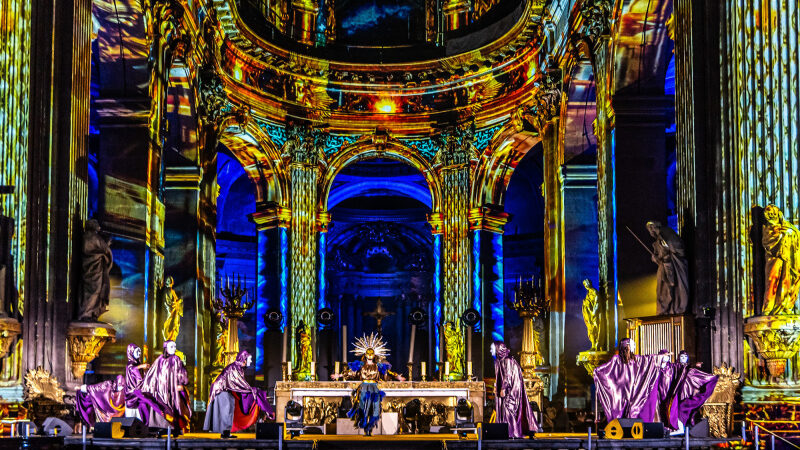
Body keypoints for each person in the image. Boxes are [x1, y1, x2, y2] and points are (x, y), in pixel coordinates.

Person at [331, 333, 405, 436]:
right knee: (364, 409)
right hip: (364, 388)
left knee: (374, 410)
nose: (370, 355)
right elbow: (350, 372)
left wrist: (398, 377)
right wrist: (338, 375)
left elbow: (389, 373)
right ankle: (366, 429)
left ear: (374, 355)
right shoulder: (361, 365)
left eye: (372, 354)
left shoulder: (378, 366)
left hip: (374, 388)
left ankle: (370, 428)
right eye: (368, 354)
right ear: (365, 355)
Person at [594, 338, 671, 422]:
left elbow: (648, 359)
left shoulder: (636, 360)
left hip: (633, 393)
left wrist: (660, 358)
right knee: (621, 409)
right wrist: (597, 372)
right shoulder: (616, 360)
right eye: (632, 344)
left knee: (634, 408)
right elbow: (604, 370)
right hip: (622, 392)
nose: (634, 346)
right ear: (627, 346)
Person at [204, 350, 275, 438]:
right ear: (244, 360)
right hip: (220, 389)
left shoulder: (239, 368)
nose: (251, 361)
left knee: (230, 406)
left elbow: (240, 384)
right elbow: (241, 384)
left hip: (225, 389)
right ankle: (225, 433)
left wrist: (252, 390)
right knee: (228, 407)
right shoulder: (235, 368)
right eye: (250, 359)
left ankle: (226, 433)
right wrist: (253, 390)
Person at [135, 340, 191, 432]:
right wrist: (151, 386)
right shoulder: (159, 360)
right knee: (160, 406)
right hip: (161, 391)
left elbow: (181, 373)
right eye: (171, 347)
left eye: (175, 346)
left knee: (175, 408)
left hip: (172, 391)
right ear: (166, 348)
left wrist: (181, 383)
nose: (174, 348)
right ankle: (160, 427)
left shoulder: (176, 359)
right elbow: (152, 374)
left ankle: (174, 428)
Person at [491, 341, 541, 438]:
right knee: (505, 409)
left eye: (492, 348)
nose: (490, 350)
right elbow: (500, 377)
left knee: (508, 408)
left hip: (512, 390)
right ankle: (508, 431)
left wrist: (503, 388)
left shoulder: (508, 360)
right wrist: (496, 387)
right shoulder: (500, 361)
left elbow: (508, 375)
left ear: (498, 349)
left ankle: (512, 432)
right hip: (509, 388)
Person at [659, 350, 718, 432]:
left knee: (684, 408)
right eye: (681, 357)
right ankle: (678, 427)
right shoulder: (675, 366)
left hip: (687, 392)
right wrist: (663, 356)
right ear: (679, 357)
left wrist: (712, 378)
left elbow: (699, 376)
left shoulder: (691, 369)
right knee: (675, 408)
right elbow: (666, 368)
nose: (683, 359)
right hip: (676, 392)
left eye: (685, 357)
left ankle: (683, 427)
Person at [761, 205, 800, 315]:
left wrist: (789, 233)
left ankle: (785, 305)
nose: (772, 216)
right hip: (775, 259)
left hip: (789, 259)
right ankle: (768, 308)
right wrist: (781, 234)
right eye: (769, 215)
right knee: (772, 281)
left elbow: (797, 235)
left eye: (774, 213)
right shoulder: (767, 228)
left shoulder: (788, 226)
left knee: (787, 281)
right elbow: (767, 243)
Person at [646, 221, 689, 315]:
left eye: (651, 228)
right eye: (649, 229)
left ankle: (674, 308)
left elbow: (676, 248)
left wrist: (665, 250)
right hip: (664, 267)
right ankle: (664, 310)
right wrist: (656, 258)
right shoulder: (657, 241)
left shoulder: (665, 233)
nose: (651, 231)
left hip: (673, 265)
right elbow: (660, 256)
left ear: (656, 226)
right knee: (661, 290)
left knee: (673, 287)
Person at [78, 219, 114, 321]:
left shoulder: (87, 237)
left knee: (92, 292)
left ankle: (89, 313)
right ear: (93, 226)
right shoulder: (94, 237)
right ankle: (87, 314)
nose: (99, 226)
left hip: (91, 268)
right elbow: (106, 250)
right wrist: (107, 244)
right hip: (95, 270)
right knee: (94, 292)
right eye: (97, 224)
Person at [125, 343, 149, 420]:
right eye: (137, 351)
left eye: (140, 352)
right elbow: (132, 369)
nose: (139, 353)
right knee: (131, 417)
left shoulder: (138, 363)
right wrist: (141, 366)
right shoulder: (130, 364)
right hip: (131, 394)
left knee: (139, 415)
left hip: (138, 392)